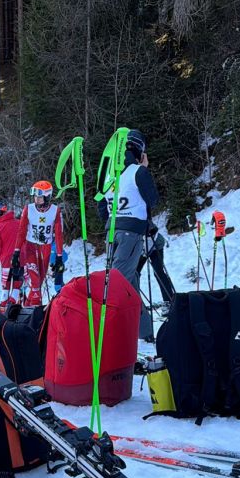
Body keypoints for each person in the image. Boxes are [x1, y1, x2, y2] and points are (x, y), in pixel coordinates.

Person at [97, 129, 159, 341]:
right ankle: (113, 331)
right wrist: (145, 169)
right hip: (131, 232)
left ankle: (144, 330)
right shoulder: (138, 172)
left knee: (128, 281)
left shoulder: (109, 175)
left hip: (112, 232)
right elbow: (152, 200)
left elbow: (101, 207)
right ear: (140, 151)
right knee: (119, 282)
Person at [11, 180, 64, 307]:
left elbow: (59, 234)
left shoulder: (55, 211)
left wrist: (59, 256)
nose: (36, 199)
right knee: (35, 279)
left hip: (45, 247)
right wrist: (16, 252)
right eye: (35, 196)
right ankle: (35, 305)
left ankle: (28, 306)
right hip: (30, 246)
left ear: (47, 197)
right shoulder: (28, 209)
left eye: (39, 197)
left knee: (39, 281)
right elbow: (21, 231)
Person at [0, 201, 25, 309]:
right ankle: (14, 306)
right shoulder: (19, 223)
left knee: (6, 284)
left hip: (6, 260)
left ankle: (4, 306)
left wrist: (0, 257)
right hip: (21, 258)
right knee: (17, 283)